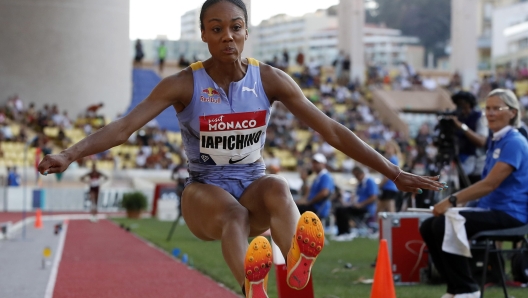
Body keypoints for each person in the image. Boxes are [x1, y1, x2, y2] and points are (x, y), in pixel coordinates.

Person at [37, 1, 443, 297]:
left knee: (279, 187)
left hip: (253, 181)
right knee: (234, 214)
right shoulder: (182, 83)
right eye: (216, 28)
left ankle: (297, 268)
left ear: (247, 31)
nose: (227, 36)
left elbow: (333, 131)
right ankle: (254, 288)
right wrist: (69, 154)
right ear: (203, 35)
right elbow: (124, 127)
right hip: (205, 192)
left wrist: (392, 171)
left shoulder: (270, 80)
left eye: (235, 27)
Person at [420, 89, 528, 298]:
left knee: (444, 223)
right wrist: (462, 206)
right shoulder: (498, 140)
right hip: (492, 209)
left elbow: (490, 184)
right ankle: (455, 288)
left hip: (511, 214)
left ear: (513, 112)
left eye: (497, 108)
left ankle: (468, 289)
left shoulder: (514, 141)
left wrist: (452, 201)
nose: (490, 113)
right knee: (428, 226)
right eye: (487, 108)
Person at [446, 91, 488, 185]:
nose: (460, 107)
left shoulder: (479, 117)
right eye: (458, 104)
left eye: (462, 104)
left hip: (476, 164)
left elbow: (481, 141)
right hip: (460, 158)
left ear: (469, 104)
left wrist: (461, 127)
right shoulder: (457, 117)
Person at [333, 166, 379, 240]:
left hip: (366, 208)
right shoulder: (360, 184)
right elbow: (356, 197)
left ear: (361, 173)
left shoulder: (369, 181)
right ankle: (341, 232)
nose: (356, 177)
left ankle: (346, 232)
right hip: (357, 206)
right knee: (339, 209)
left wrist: (361, 204)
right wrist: (350, 203)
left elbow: (373, 197)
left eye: (357, 175)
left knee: (343, 210)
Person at [295, 153, 334, 220]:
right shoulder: (318, 177)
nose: (314, 165)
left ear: (323, 164)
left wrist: (309, 202)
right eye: (313, 162)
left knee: (294, 210)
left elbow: (324, 193)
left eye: (317, 163)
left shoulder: (325, 176)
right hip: (313, 206)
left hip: (318, 207)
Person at [377, 140, 401, 213]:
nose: (387, 149)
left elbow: (388, 175)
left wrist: (380, 184)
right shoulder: (392, 158)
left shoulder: (393, 159)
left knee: (388, 208)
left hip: (389, 187)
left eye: (388, 148)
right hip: (390, 187)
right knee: (382, 208)